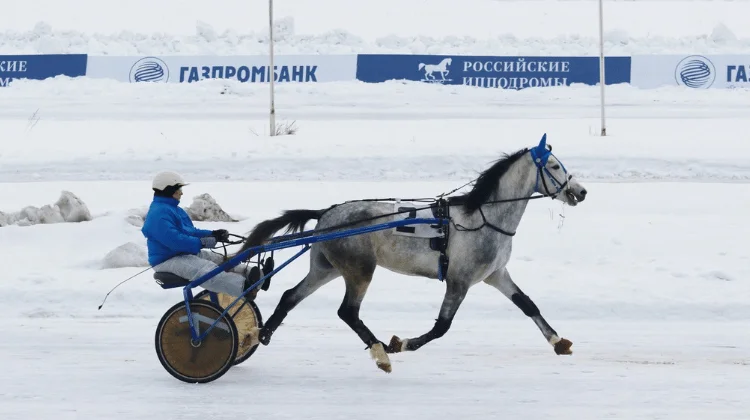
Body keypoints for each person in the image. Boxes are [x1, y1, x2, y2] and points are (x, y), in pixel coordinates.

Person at [141, 171, 254, 298]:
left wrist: (213, 234)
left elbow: (190, 231)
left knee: (219, 260)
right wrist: (202, 242)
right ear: (169, 190)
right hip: (167, 260)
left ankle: (254, 275)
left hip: (183, 254)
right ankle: (245, 288)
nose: (181, 193)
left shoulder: (173, 209)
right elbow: (176, 241)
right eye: (179, 189)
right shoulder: (158, 214)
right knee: (207, 270)